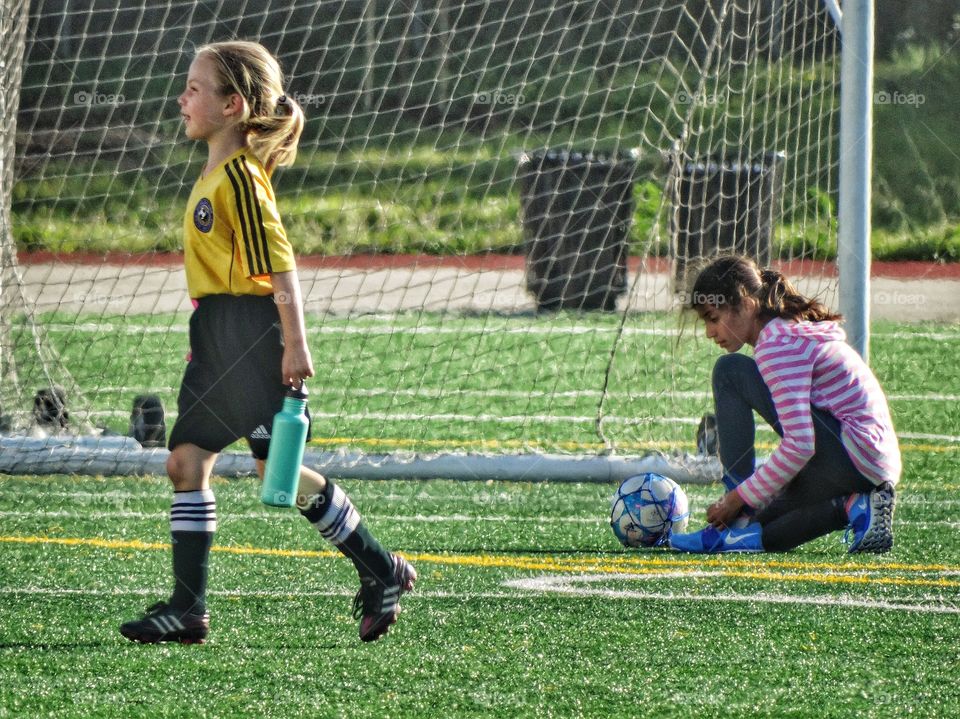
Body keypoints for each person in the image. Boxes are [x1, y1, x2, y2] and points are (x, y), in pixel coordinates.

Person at [120, 41, 415, 644]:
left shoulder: (242, 180)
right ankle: (195, 608)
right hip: (221, 333)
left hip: (250, 335)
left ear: (233, 105)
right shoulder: (215, 171)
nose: (182, 97)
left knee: (239, 469)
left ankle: (375, 570)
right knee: (219, 467)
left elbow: (281, 269)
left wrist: (293, 344)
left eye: (195, 89)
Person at [669, 255, 901, 554]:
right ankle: (852, 506)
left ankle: (735, 516)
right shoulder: (783, 331)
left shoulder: (776, 345)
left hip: (853, 454)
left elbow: (801, 445)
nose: (709, 332)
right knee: (760, 531)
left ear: (746, 302)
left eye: (714, 318)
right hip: (868, 465)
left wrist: (737, 498)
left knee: (730, 372)